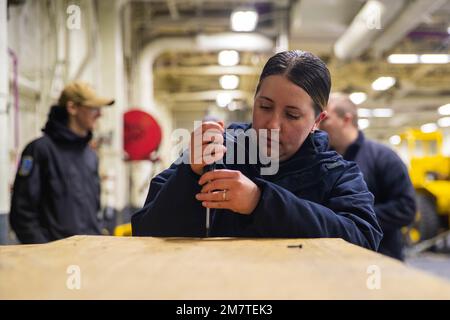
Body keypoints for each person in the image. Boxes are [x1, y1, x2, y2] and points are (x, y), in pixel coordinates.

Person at [132, 50, 383, 251]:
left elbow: (362, 240)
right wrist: (188, 175)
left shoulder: (336, 174)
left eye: (292, 115)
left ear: (317, 121)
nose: (272, 124)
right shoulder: (216, 153)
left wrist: (261, 201)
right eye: (264, 107)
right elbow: (145, 232)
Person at [10, 81, 114, 244]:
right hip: (54, 260)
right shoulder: (40, 150)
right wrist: (45, 253)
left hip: (90, 254)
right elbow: (22, 215)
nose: (100, 114)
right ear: (72, 108)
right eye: (93, 108)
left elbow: (93, 210)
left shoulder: (90, 156)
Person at [320, 93, 416, 260]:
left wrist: (354, 219)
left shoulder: (384, 157)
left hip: (381, 258)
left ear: (346, 120)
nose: (319, 124)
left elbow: (406, 208)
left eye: (326, 119)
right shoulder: (322, 159)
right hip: (335, 258)